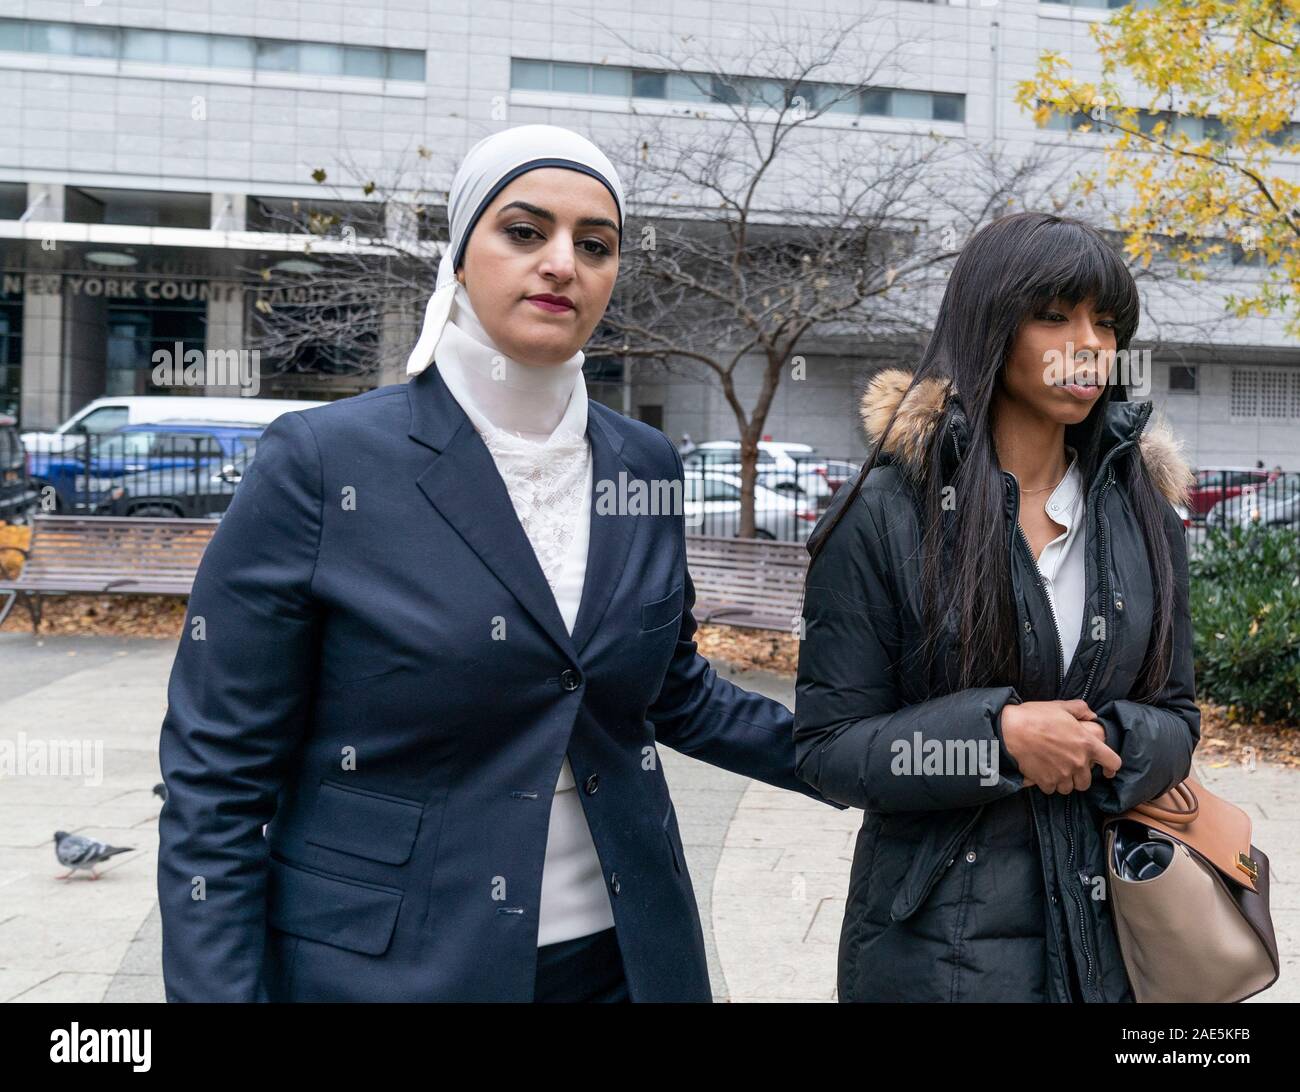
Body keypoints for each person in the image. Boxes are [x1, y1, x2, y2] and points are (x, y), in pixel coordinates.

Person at [157, 123, 842, 1003]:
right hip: (387, 972)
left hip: (626, 962)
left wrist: (882, 757)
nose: (562, 262)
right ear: (460, 255)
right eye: (525, 232)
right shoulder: (323, 463)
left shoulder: (644, 465)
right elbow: (215, 782)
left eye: (595, 245)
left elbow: (669, 692)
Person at [793, 211, 1200, 1002]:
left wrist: (1110, 741)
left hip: (1112, 942)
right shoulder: (887, 511)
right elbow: (828, 749)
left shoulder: (1143, 511)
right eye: (1054, 316)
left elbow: (1178, 719)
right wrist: (998, 739)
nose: (1088, 343)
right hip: (936, 955)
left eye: (1106, 323)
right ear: (989, 326)